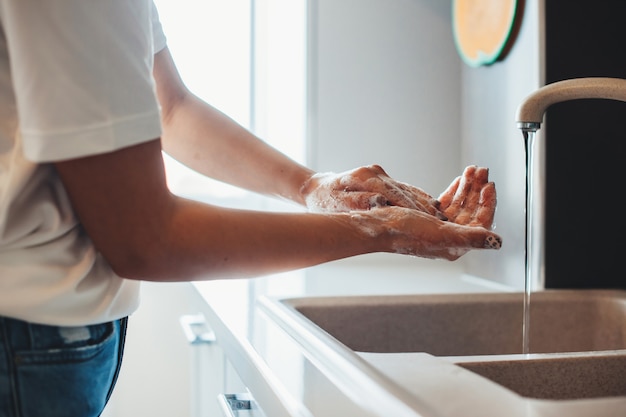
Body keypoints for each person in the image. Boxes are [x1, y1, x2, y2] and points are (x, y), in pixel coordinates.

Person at [0, 1, 502, 416]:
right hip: (25, 337)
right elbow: (146, 240)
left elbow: (169, 106)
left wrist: (311, 186)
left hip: (51, 334)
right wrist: (380, 230)